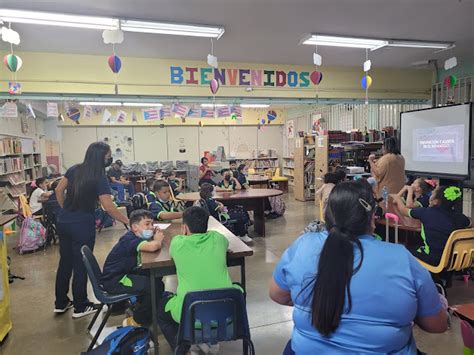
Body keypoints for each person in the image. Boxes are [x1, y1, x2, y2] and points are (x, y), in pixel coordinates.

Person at [270, 180, 447, 354]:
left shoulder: (303, 245)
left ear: (327, 213)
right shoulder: (401, 258)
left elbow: (277, 294)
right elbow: (437, 325)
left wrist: (319, 301)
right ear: (371, 219)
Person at [54, 142, 130, 318]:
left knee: (65, 262)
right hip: (82, 224)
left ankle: (60, 302)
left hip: (64, 221)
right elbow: (109, 207)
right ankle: (80, 306)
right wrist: (128, 221)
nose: (109, 159)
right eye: (107, 155)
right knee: (80, 263)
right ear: (100, 156)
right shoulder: (99, 176)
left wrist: (65, 208)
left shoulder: (74, 169)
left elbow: (58, 190)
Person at [157, 206, 241, 351]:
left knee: (162, 311)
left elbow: (172, 253)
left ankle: (184, 350)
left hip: (190, 314)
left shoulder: (178, 243)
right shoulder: (218, 239)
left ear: (184, 228)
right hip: (225, 314)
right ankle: (211, 338)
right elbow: (225, 245)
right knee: (237, 287)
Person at [101, 209, 165, 325]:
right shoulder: (129, 239)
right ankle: (137, 320)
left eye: (152, 224)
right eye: (147, 224)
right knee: (155, 285)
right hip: (116, 280)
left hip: (124, 273)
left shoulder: (136, 237)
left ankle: (146, 304)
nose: (151, 227)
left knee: (155, 275)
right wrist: (157, 240)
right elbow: (152, 247)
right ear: (135, 227)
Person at [391, 186, 470, 266]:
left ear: (435, 201)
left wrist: (397, 198)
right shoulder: (461, 217)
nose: (430, 196)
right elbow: (469, 224)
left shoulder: (426, 212)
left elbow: (403, 211)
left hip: (432, 259)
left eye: (432, 194)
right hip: (454, 260)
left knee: (401, 249)